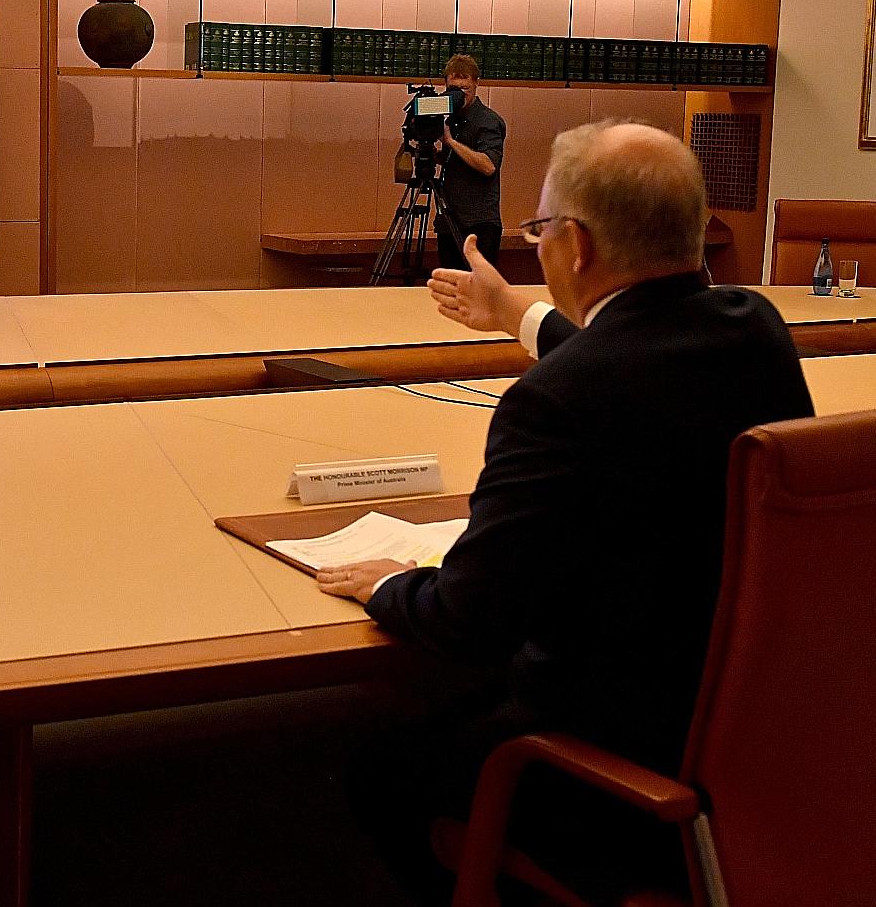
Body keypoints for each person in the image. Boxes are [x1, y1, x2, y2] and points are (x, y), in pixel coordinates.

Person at [316, 121, 814, 904]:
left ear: (575, 247)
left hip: (609, 751)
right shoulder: (756, 332)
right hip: (754, 732)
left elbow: (467, 622)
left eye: (540, 230)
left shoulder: (554, 403)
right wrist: (519, 313)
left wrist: (390, 585)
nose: (538, 244)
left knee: (375, 770)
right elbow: (641, 353)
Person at [436, 53, 506, 271]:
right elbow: (455, 162)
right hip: (450, 218)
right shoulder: (449, 117)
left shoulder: (488, 121)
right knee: (451, 284)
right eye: (453, 89)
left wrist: (450, 141)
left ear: (477, 84)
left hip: (480, 221)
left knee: (480, 288)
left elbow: (488, 166)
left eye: (465, 89)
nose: (459, 95)